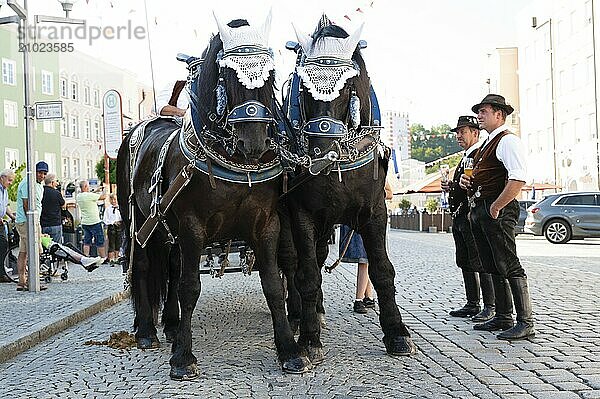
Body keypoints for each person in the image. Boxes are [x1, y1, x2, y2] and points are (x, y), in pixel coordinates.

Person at [460, 94, 534, 340]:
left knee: (509, 263)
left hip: (497, 210)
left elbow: (518, 179)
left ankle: (525, 322)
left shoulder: (507, 141)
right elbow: (485, 177)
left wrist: (496, 207)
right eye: (479, 111)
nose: (479, 116)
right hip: (484, 209)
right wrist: (467, 182)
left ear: (499, 114)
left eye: (484, 111)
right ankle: (503, 316)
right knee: (492, 264)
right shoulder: (487, 145)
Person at [442, 116, 495, 322]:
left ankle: (489, 306)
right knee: (465, 261)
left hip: (471, 217)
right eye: (457, 132)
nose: (458, 136)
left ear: (475, 132)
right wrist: (451, 187)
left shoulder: (478, 154)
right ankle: (473, 303)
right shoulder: (467, 156)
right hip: (460, 218)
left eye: (462, 132)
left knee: (479, 261)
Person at [340, 181, 393, 314]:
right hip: (355, 218)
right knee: (365, 260)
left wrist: (375, 195)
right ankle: (369, 296)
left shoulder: (378, 175)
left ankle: (359, 300)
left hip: (370, 218)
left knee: (365, 260)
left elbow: (390, 193)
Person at [15, 161, 48, 291]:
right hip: (27, 221)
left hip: (32, 221)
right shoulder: (27, 183)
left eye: (44, 173)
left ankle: (22, 281)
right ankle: (31, 281)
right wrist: (32, 224)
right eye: (40, 173)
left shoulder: (40, 185)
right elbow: (26, 205)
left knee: (23, 252)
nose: (42, 175)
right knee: (34, 250)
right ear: (35, 172)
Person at [76, 180, 107, 260]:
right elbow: (103, 197)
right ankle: (103, 258)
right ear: (86, 186)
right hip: (94, 221)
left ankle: (86, 257)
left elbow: (90, 194)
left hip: (85, 222)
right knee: (99, 240)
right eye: (88, 186)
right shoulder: (89, 196)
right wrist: (104, 189)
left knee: (87, 241)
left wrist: (97, 190)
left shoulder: (79, 196)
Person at [0, 169, 17, 283]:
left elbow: (5, 206)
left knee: (3, 245)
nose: (10, 183)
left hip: (1, 223)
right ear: (2, 178)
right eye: (9, 180)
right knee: (2, 244)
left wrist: (13, 217)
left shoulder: (4, 190)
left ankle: (1, 273)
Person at [40, 173, 65, 244]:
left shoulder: (40, 191)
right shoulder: (56, 193)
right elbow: (63, 205)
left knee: (44, 246)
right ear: (52, 182)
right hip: (55, 224)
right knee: (57, 247)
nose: (57, 183)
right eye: (56, 181)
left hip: (43, 224)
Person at [102, 193, 122, 265]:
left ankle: (117, 258)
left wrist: (120, 222)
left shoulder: (120, 208)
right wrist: (113, 222)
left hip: (119, 227)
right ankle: (111, 259)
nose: (113, 201)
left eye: (114, 199)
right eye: (112, 199)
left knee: (118, 243)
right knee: (111, 243)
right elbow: (105, 220)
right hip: (111, 227)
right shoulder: (108, 209)